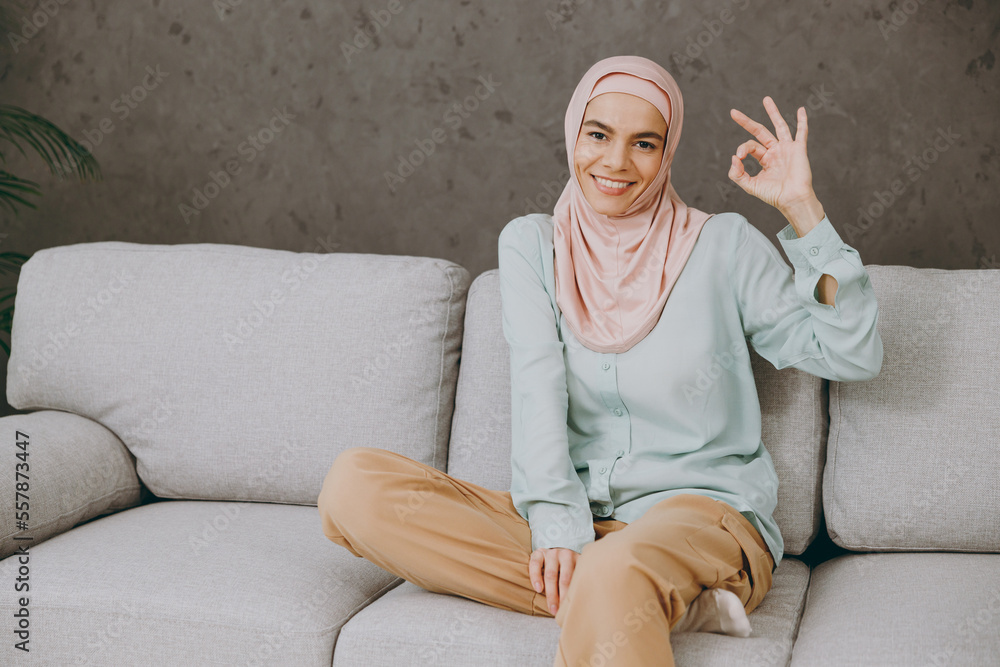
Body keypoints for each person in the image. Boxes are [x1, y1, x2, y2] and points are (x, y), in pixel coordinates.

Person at [317, 55, 883, 667]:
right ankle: (667, 602)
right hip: (579, 519)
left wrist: (804, 211)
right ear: (572, 136)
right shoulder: (533, 243)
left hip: (702, 518)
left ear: (667, 154)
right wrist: (558, 526)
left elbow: (850, 353)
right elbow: (537, 386)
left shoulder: (723, 245)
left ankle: (635, 585)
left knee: (615, 569)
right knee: (356, 487)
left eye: (644, 142)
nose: (615, 162)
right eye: (598, 134)